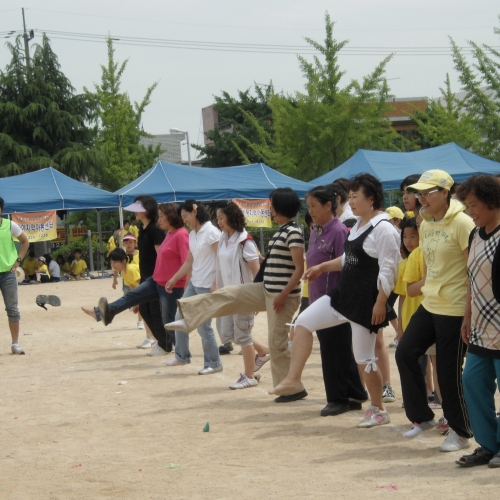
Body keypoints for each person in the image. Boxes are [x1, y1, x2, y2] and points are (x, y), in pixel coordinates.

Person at [266, 174, 401, 427]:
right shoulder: (357, 225)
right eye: (349, 196)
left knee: (363, 359)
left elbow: (389, 270)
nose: (349, 201)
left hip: (364, 302)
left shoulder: (384, 229)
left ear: (371, 199)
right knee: (303, 322)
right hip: (342, 296)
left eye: (354, 196)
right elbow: (348, 260)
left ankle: (378, 408)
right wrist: (322, 267)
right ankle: (293, 378)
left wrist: (381, 303)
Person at [166, 188, 305, 397]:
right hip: (258, 289)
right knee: (227, 306)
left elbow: (290, 268)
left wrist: (278, 295)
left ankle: (280, 384)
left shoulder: (266, 237)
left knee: (270, 341)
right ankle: (189, 316)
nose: (271, 210)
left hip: (277, 293)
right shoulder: (269, 233)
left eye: (273, 206)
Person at [395, 169, 475, 452]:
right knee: (405, 352)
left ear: (445, 192)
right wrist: (425, 286)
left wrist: (468, 313)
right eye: (419, 193)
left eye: (427, 193)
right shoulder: (426, 224)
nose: (421, 198)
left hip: (454, 308)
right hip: (431, 304)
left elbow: (473, 271)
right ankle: (422, 417)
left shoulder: (463, 223)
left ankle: (461, 430)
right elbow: (429, 265)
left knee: (448, 371)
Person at [81, 201, 190, 359]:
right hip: (156, 280)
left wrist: (175, 280)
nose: (159, 220)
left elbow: (187, 262)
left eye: (161, 217)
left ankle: (181, 354)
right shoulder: (169, 233)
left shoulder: (181, 234)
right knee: (132, 297)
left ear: (171, 217)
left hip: (171, 285)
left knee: (169, 320)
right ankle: (101, 313)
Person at [304, 185, 368, 416]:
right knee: (338, 348)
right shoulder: (315, 231)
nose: (310, 210)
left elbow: (347, 266)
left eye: (314, 206)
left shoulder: (339, 231)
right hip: (317, 297)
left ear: (328, 205)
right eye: (308, 206)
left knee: (333, 350)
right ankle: (355, 393)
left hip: (334, 300)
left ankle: (338, 398)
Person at [455, 175, 500, 468]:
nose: (470, 212)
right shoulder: (474, 235)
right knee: (471, 380)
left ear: (492, 201)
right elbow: (472, 279)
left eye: (474, 205)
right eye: (467, 206)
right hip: (482, 326)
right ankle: (488, 445)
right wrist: (467, 315)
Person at [214, 201, 270, 389]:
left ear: (231, 217)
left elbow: (257, 272)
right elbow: (219, 266)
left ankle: (249, 376)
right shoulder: (223, 239)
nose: (219, 222)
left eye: (221, 218)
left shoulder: (245, 242)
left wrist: (256, 298)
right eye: (217, 218)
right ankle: (262, 351)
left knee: (243, 334)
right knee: (227, 334)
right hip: (228, 294)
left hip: (244, 294)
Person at [164, 200, 223, 374]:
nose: (184, 220)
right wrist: (175, 279)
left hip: (207, 286)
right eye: (182, 218)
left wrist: (215, 283)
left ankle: (214, 362)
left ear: (195, 211)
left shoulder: (211, 232)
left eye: (185, 216)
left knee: (203, 326)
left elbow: (221, 258)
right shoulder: (192, 234)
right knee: (179, 316)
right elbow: (190, 261)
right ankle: (182, 356)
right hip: (195, 283)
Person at [0, 196, 30, 354]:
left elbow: (25, 241)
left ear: (1, 210)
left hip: (8, 274)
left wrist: (18, 260)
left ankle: (15, 343)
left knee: (12, 309)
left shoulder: (9, 225)